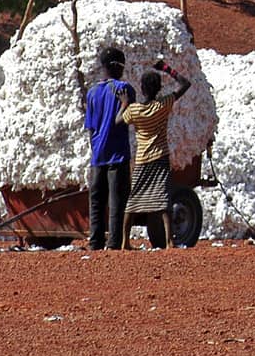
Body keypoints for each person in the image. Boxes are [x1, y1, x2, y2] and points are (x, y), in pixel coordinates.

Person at [117, 59, 195, 249]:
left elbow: (118, 121)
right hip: (160, 158)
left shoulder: (135, 110)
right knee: (163, 200)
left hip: (142, 160)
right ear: (159, 88)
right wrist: (167, 68)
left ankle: (124, 241)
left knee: (134, 199)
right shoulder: (162, 105)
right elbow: (185, 84)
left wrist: (125, 103)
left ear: (142, 89)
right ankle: (169, 241)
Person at [82, 47, 134, 250]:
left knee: (96, 202)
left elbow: (90, 126)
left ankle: (95, 242)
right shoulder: (124, 89)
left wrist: (95, 151)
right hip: (118, 154)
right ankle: (114, 243)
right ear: (118, 67)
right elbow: (127, 118)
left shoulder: (93, 92)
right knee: (116, 202)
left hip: (98, 156)